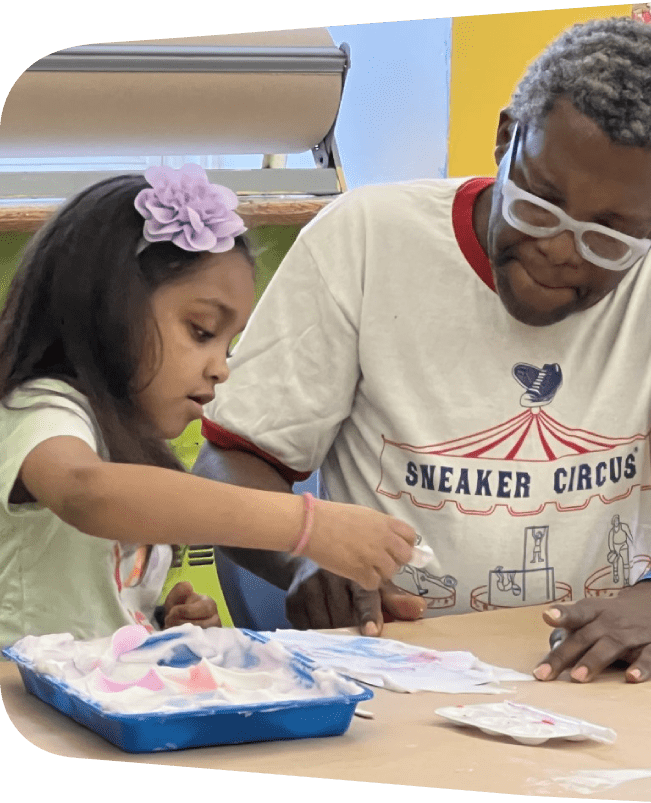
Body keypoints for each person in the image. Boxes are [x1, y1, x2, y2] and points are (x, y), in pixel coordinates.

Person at [195, 17, 651, 683]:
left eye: (607, 237)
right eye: (538, 204)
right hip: (394, 665)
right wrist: (304, 550)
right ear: (507, 139)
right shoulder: (365, 238)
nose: (558, 251)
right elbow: (231, 455)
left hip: (606, 671)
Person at [0, 164, 416, 649]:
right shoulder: (38, 408)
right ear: (106, 306)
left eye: (227, 344)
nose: (221, 368)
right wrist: (308, 525)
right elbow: (86, 494)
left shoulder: (124, 440)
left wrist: (156, 623)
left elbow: (80, 602)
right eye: (201, 331)